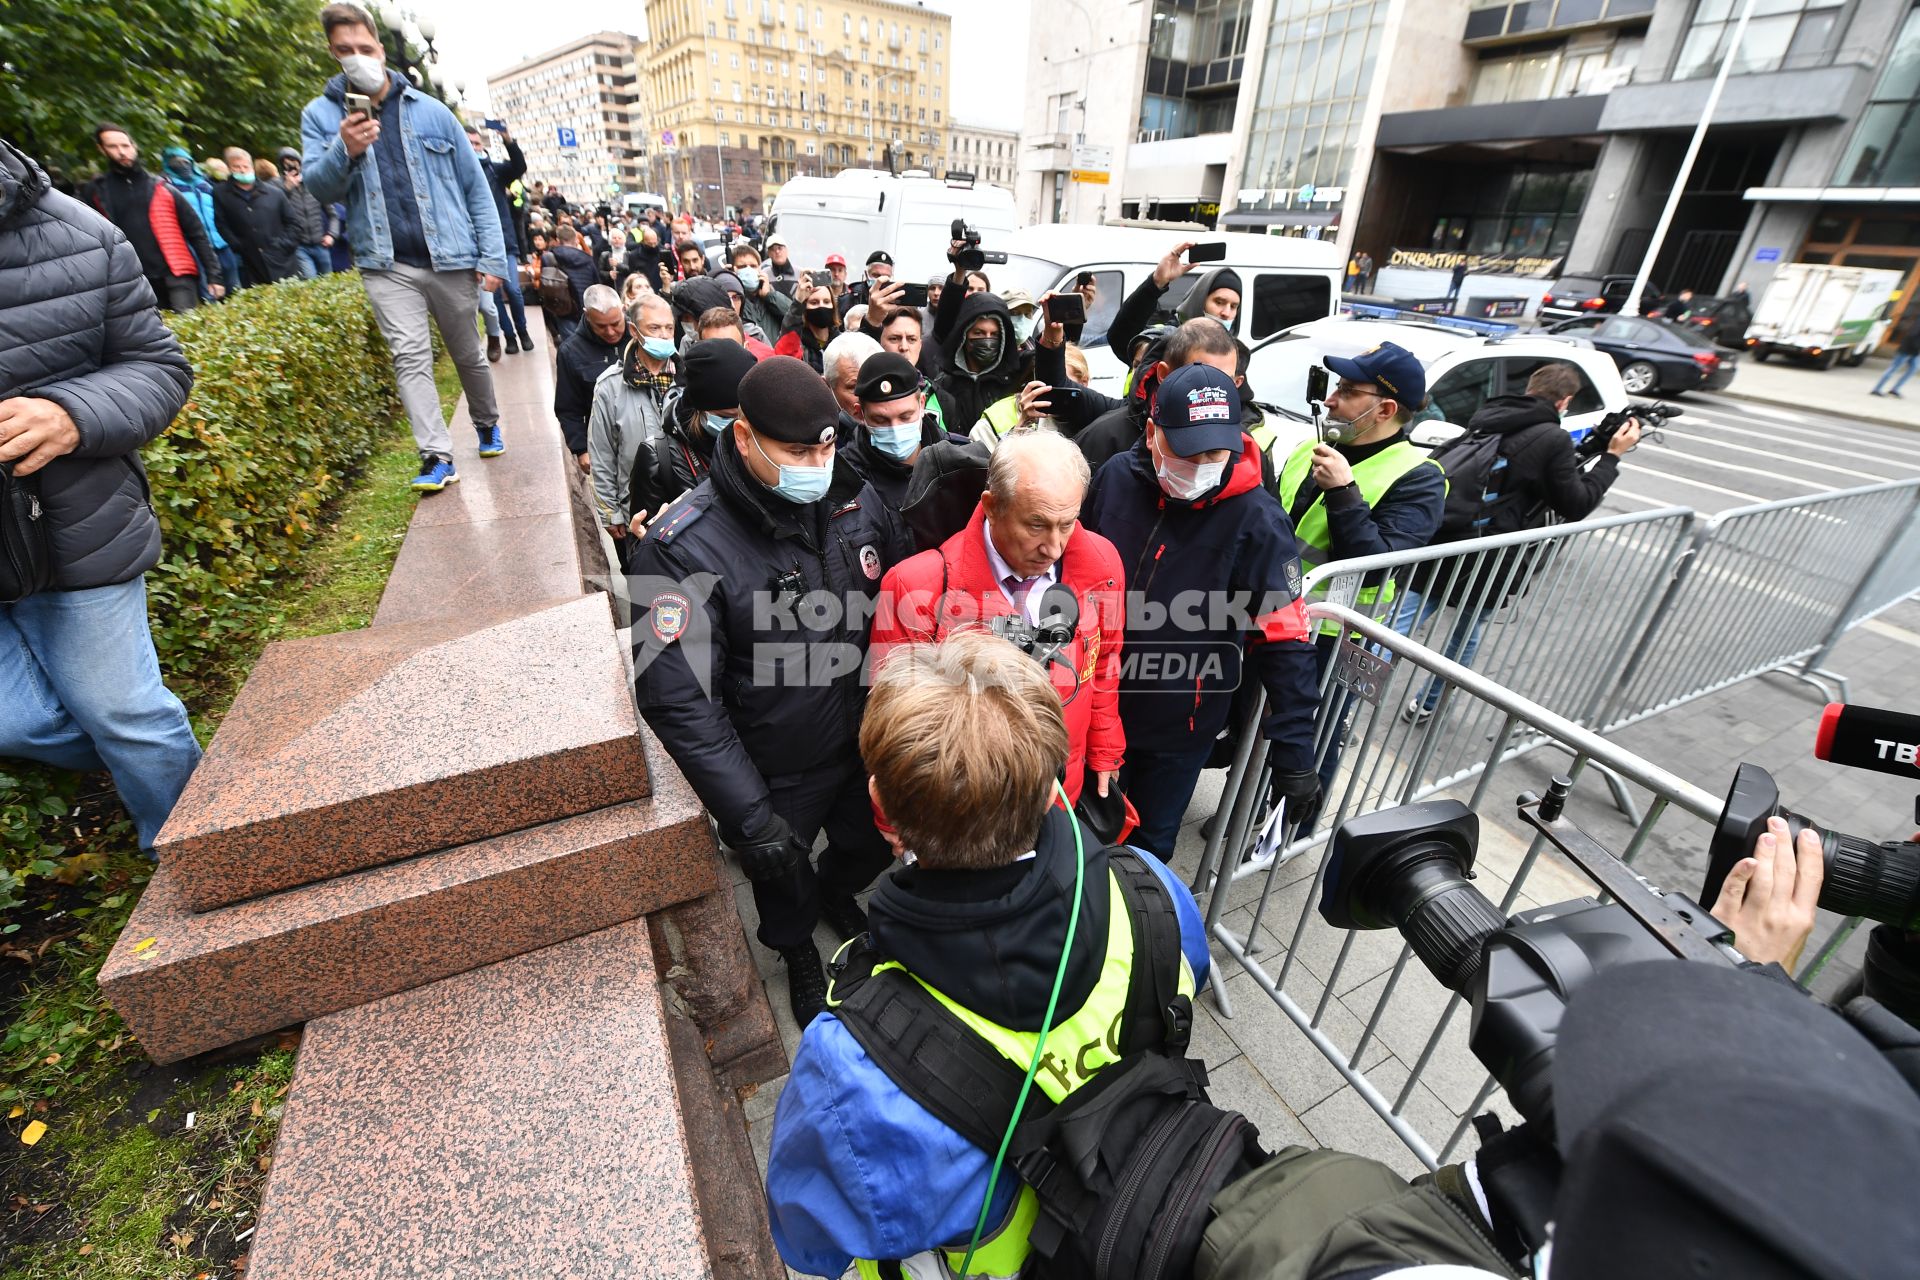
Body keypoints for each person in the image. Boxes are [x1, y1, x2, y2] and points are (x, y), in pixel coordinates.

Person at [763, 629, 1208, 1278]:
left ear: (881, 811)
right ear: (1051, 785)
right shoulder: (1150, 889)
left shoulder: (849, 1065)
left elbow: (808, 1242)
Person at [630, 357, 911, 1028]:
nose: (817, 460)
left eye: (826, 444)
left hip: (865, 737)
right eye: (797, 450)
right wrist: (750, 818)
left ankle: (837, 894)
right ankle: (797, 950)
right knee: (780, 873)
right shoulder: (679, 549)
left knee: (865, 842)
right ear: (745, 435)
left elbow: (897, 595)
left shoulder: (853, 493)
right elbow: (677, 698)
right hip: (774, 762)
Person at [0, 136, 203, 853]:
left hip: (74, 530)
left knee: (129, 715)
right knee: (15, 722)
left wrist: (71, 415)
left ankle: (191, 847)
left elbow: (160, 367)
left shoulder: (84, 234)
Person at [1081, 363, 1320, 857]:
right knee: (1078, 836)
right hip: (1092, 703)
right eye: (1188, 450)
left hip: (1178, 726)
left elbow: (1285, 640)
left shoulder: (1258, 520)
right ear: (1152, 433)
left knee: (1148, 850)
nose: (1204, 462)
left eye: (1216, 450)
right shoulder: (1116, 479)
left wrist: (1296, 755)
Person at [302, 1, 513, 493]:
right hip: (385, 262)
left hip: (451, 258)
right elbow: (319, 187)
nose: (357, 57)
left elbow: (475, 189)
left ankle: (486, 422)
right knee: (410, 357)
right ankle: (436, 455)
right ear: (333, 53)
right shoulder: (321, 116)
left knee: (468, 354)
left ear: (380, 47)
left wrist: (492, 258)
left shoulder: (433, 111)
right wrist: (345, 150)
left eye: (364, 47)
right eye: (344, 50)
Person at [871, 423, 1124, 802]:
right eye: (1036, 524)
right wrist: (898, 821)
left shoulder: (1102, 564)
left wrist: (1105, 749)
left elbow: (1104, 663)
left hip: (1059, 798)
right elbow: (894, 726)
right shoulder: (915, 587)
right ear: (992, 506)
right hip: (963, 808)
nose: (1054, 547)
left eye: (1067, 524)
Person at [1396, 362, 1638, 722]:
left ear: (1530, 388)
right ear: (1565, 401)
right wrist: (1611, 458)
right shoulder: (1552, 438)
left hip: (1448, 538)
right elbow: (1575, 502)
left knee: (1398, 625)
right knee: (1466, 632)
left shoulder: (1489, 415)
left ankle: (1347, 696)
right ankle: (1428, 704)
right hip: (1492, 557)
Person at [82, 124, 220, 312]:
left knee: (190, 329)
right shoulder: (96, 192)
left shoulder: (162, 187)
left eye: (125, 146)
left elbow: (196, 232)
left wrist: (214, 276)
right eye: (113, 147)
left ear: (134, 146)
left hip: (176, 273)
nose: (122, 152)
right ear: (101, 149)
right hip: (131, 278)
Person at [588, 295, 676, 569]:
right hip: (634, 511)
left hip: (683, 505)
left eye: (669, 328)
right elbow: (602, 455)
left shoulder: (688, 378)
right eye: (654, 328)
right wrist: (611, 513)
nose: (663, 335)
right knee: (643, 582)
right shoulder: (610, 387)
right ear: (634, 331)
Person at [630, 336, 756, 518]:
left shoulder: (762, 441)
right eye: (727, 416)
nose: (740, 426)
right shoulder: (658, 457)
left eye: (746, 417)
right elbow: (642, 534)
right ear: (700, 410)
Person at [838, 349, 969, 513]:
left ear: (922, 404)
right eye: (880, 420)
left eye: (905, 417)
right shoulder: (844, 477)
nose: (895, 430)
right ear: (860, 414)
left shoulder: (960, 459)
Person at [1104, 240, 1243, 363]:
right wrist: (1156, 283)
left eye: (1233, 306)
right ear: (1199, 301)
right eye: (1219, 302)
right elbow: (1120, 337)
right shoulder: (1168, 341)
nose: (1226, 313)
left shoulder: (1231, 353)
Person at [463, 123, 535, 355]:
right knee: (492, 298)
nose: (473, 148)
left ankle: (523, 331)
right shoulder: (458, 172)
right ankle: (509, 337)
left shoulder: (494, 170)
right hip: (478, 248)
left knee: (513, 290)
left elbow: (518, 166)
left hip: (504, 244)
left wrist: (507, 139)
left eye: (476, 143)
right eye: (468, 143)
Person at [931, 289, 1027, 443]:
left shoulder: (1014, 378)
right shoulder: (944, 384)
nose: (987, 340)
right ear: (964, 336)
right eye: (979, 333)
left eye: (994, 334)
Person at [556, 284, 628, 473]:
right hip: (603, 446)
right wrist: (581, 450)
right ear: (587, 315)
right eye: (601, 326)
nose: (611, 332)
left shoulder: (640, 337)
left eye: (616, 323)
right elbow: (568, 407)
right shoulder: (570, 352)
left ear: (623, 310)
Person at [211, 145, 301, 286]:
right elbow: (221, 224)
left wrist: (284, 245)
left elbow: (293, 223)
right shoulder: (221, 194)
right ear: (229, 169)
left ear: (252, 167)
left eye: (246, 166)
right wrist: (238, 245)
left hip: (283, 260)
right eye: (237, 167)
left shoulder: (274, 193)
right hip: (250, 262)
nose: (242, 170)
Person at [158, 146, 237, 298]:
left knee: (234, 288)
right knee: (210, 293)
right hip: (194, 245)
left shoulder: (205, 184)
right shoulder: (167, 187)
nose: (182, 165)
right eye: (176, 161)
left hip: (221, 242)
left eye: (186, 161)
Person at [275, 148, 338, 279]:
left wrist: (332, 234)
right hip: (299, 246)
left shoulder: (313, 183)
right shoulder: (278, 188)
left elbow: (333, 214)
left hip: (320, 243)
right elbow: (276, 212)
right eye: (286, 163)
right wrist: (287, 189)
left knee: (329, 280)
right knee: (310, 280)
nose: (291, 166)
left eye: (293, 162)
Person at [726, 241, 793, 341]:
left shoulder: (770, 296)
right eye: (742, 267)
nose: (748, 270)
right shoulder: (732, 301)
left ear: (760, 268)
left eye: (753, 266)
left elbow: (794, 316)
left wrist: (769, 295)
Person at [544, 224, 600, 333]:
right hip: (586, 309)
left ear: (558, 240)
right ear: (576, 240)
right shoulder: (588, 259)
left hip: (563, 308)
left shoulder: (549, 258)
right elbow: (596, 285)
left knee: (571, 345)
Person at [774, 282, 840, 373]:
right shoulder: (798, 343)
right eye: (814, 302)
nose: (821, 306)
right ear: (805, 309)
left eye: (826, 302)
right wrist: (798, 303)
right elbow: (786, 357)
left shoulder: (841, 341)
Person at [1872, 316, 1920, 397]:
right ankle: (1876, 389)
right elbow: (1912, 334)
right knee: (1894, 368)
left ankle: (1895, 389)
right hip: (1907, 349)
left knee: (1913, 369)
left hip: (1915, 351)